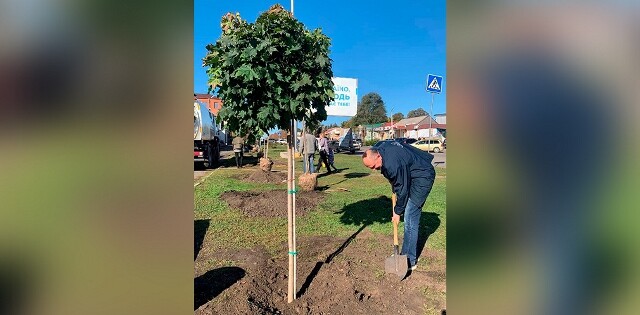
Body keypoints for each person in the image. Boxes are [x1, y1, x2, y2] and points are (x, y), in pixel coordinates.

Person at [361, 141, 436, 271]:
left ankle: (411, 260)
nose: (374, 170)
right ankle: (403, 255)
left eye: (373, 166)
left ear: (378, 156)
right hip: (410, 174)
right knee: (408, 217)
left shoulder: (393, 165)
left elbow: (403, 190)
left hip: (422, 178)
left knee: (410, 217)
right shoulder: (381, 146)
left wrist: (397, 212)